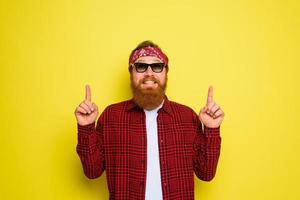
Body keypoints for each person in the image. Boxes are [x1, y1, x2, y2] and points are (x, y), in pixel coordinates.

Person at [75, 40, 224, 200]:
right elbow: (92, 172)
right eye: (141, 66)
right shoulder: (112, 117)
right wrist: (86, 128)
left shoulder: (187, 117)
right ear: (131, 72)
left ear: (166, 72)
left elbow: (206, 174)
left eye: (157, 66)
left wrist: (211, 130)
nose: (149, 73)